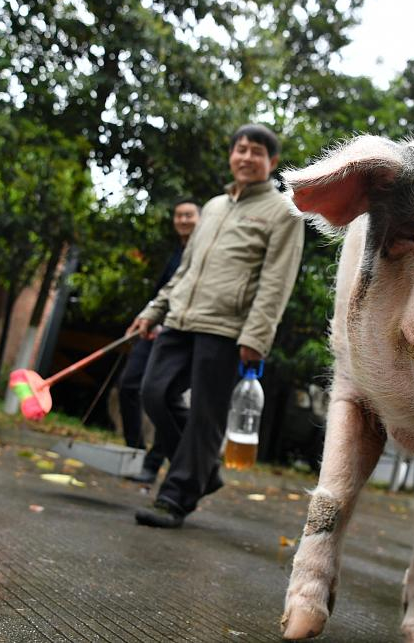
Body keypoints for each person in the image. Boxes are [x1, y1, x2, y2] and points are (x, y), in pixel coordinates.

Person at [127, 123, 304, 529]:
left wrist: (257, 336)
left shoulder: (283, 212)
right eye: (241, 149)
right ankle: (203, 471)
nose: (246, 157)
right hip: (181, 318)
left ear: (271, 162)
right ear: (231, 155)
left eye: (256, 152)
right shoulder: (212, 207)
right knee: (153, 393)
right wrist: (154, 310)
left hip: (228, 328)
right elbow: (186, 269)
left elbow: (277, 281)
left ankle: (175, 498)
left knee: (206, 415)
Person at [118, 197, 201, 484]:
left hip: (182, 333)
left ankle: (154, 464)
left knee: (163, 396)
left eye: (189, 215)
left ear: (200, 218)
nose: (183, 220)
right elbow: (162, 293)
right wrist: (146, 318)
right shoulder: (176, 255)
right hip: (156, 330)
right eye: (178, 215)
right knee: (129, 385)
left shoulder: (204, 250)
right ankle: (135, 452)